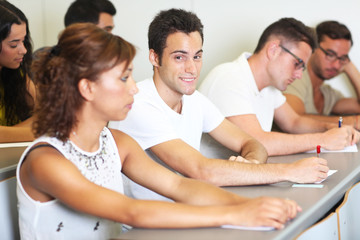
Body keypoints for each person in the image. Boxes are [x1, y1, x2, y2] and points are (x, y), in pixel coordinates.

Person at [17, 23, 300, 239]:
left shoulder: (118, 143)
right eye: (124, 77)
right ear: (87, 88)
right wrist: (238, 212)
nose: (135, 87)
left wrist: (259, 204)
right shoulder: (46, 161)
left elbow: (180, 186)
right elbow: (132, 212)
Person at [109, 9, 330, 203]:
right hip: (148, 227)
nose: (192, 68)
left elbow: (252, 142)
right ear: (155, 58)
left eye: (197, 56)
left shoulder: (194, 99)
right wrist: (290, 171)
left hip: (192, 211)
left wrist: (250, 163)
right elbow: (201, 170)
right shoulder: (138, 105)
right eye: (179, 57)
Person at [199, 18, 359, 156]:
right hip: (209, 185)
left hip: (241, 178)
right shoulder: (229, 77)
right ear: (273, 50)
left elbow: (294, 122)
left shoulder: (270, 87)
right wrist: (323, 140)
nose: (298, 75)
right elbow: (258, 142)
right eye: (297, 64)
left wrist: (330, 128)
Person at [283, 21, 360, 129]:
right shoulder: (295, 77)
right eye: (330, 54)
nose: (336, 65)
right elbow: (294, 120)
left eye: (342, 58)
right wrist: (353, 122)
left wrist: (349, 67)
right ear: (313, 48)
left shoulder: (328, 94)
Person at [0, 1, 35, 142]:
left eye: (23, 41)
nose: (24, 50)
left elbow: (46, 114)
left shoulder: (16, 72)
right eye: (14, 44)